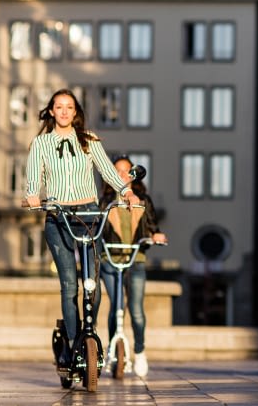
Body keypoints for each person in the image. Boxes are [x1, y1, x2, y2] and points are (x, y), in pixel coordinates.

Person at [24, 88, 140, 368]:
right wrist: (32, 195)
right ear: (51, 111)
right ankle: (73, 343)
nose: (64, 111)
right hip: (57, 215)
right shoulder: (41, 143)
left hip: (88, 214)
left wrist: (127, 192)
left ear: (75, 112)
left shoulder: (89, 140)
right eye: (59, 107)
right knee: (69, 285)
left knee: (91, 284)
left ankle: (89, 331)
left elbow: (108, 171)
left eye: (69, 107)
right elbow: (33, 177)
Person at [94, 155, 167, 377]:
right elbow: (97, 229)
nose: (122, 174)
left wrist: (156, 235)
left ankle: (140, 351)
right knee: (116, 306)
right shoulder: (106, 201)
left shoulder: (143, 199)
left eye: (126, 170)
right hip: (110, 258)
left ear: (133, 174)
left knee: (136, 310)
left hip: (135, 258)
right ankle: (113, 351)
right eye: (117, 170)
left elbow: (152, 225)